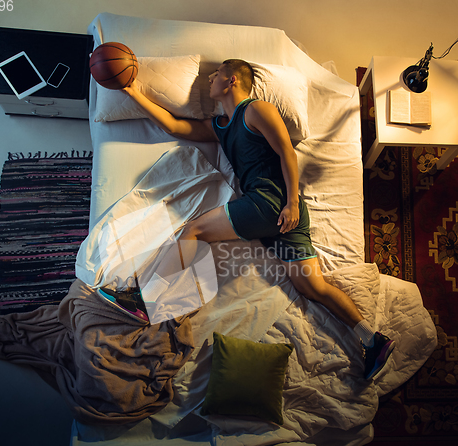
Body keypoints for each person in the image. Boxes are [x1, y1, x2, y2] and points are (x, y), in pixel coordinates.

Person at [98, 59, 394, 380]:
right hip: (279, 215)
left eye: (216, 75)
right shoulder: (219, 124)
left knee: (193, 229)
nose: (210, 79)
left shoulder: (256, 110)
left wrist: (292, 201)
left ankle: (143, 297)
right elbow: (173, 126)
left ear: (232, 80)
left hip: (271, 204)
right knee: (312, 286)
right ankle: (373, 340)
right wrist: (130, 90)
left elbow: (287, 152)